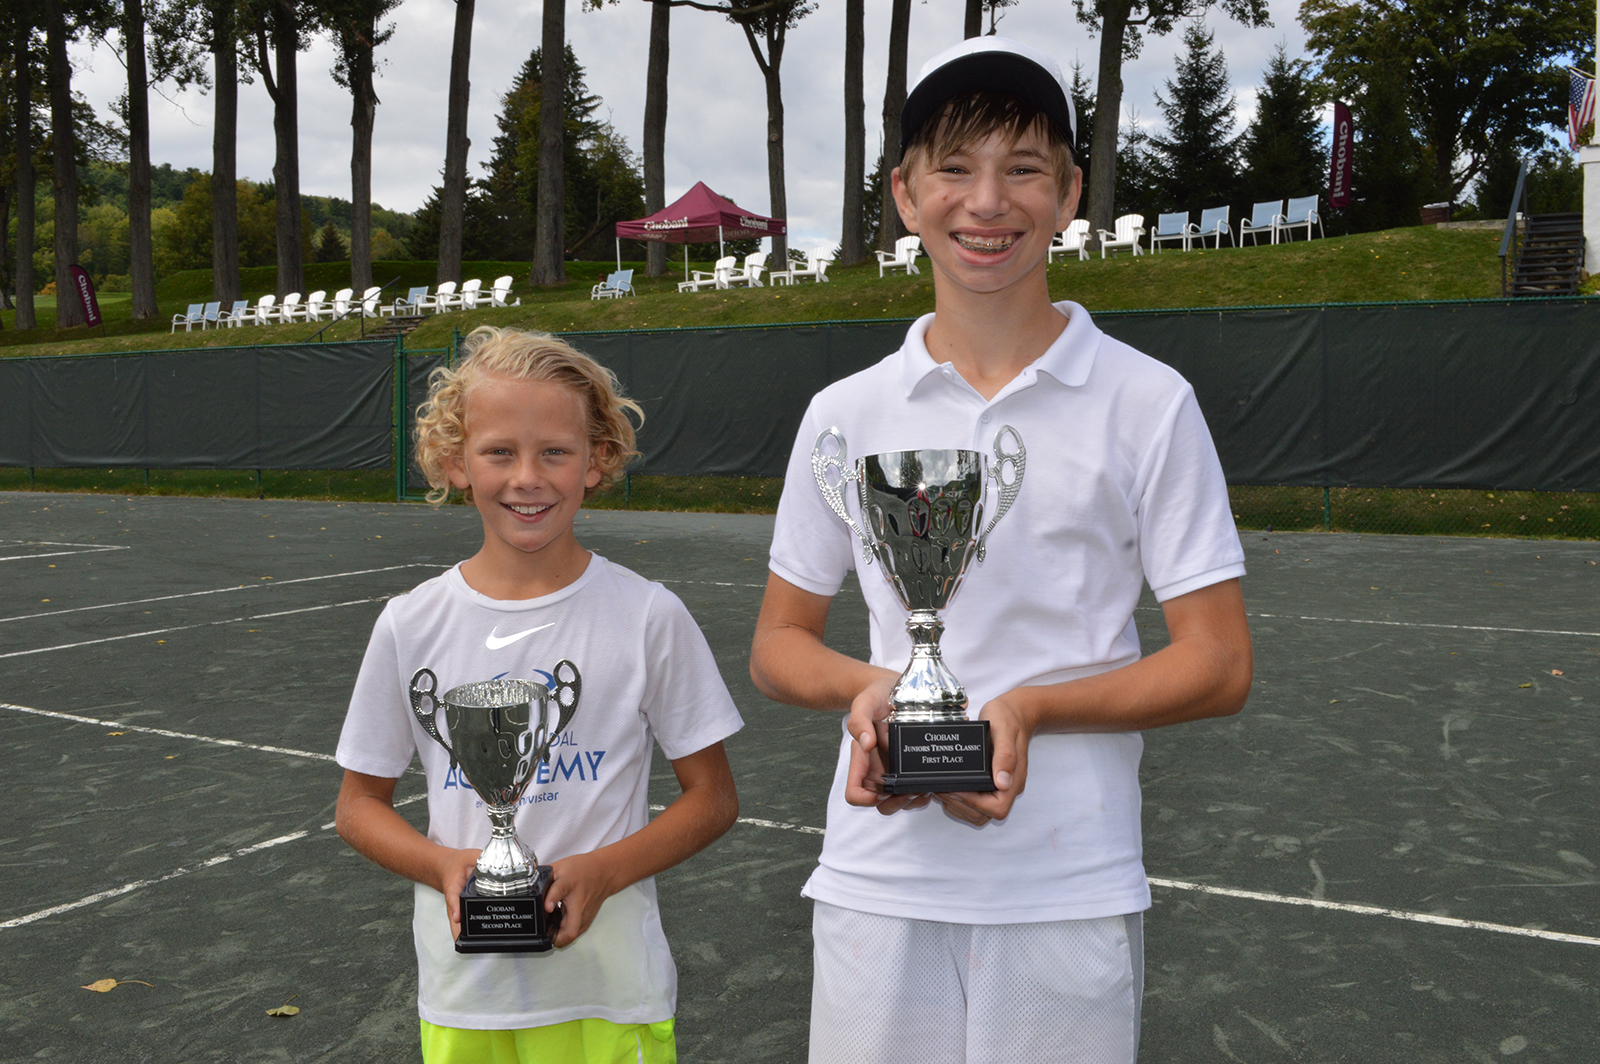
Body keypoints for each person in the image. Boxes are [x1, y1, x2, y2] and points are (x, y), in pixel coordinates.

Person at [749, 36, 1253, 1064]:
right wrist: (880, 688)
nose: (988, 201)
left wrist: (1027, 709)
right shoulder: (843, 412)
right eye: (954, 167)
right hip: (877, 877)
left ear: (1069, 193)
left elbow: (1218, 660)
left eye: (1023, 168)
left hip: (1066, 879)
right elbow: (778, 643)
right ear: (903, 192)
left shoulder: (1148, 401)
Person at [335, 326, 742, 1064]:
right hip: (467, 998)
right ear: (456, 463)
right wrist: (445, 866)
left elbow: (712, 798)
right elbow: (357, 805)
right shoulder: (411, 623)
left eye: (555, 451)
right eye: (499, 452)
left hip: (612, 994)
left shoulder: (648, 614)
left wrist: (606, 871)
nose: (528, 477)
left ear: (598, 460)